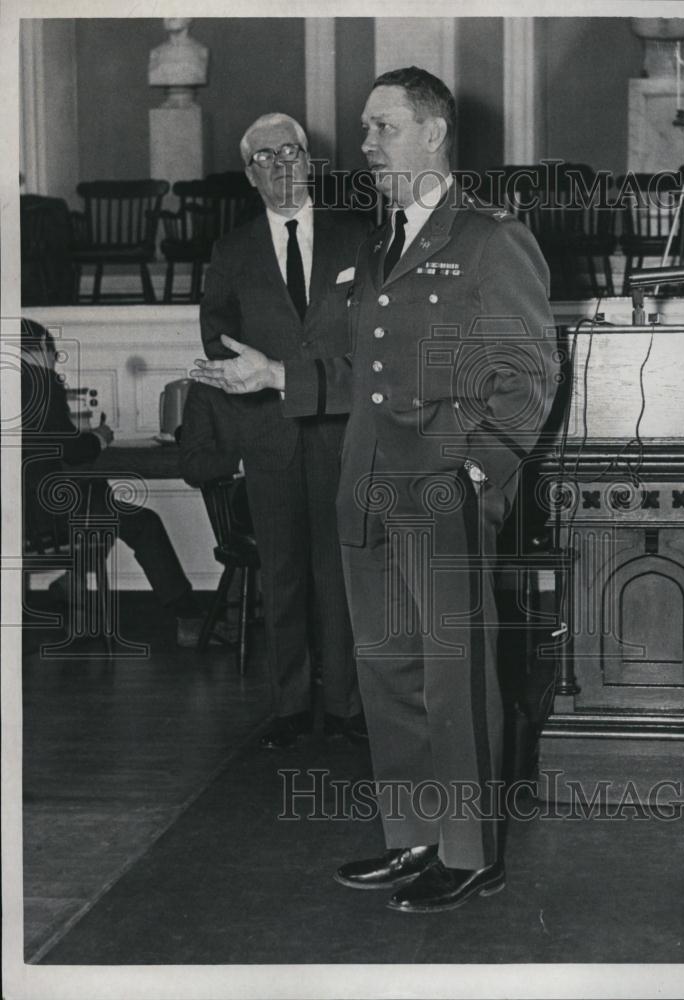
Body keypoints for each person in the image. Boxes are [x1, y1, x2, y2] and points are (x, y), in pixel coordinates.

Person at [191, 68, 559, 911]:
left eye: (381, 128)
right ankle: (416, 838)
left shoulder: (490, 238)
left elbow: (529, 375)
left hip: (443, 496)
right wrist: (277, 372)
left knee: (455, 678)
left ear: (432, 134)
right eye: (363, 129)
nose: (364, 145)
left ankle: (471, 855)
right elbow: (365, 372)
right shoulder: (381, 242)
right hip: (367, 488)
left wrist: (475, 475)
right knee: (389, 673)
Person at [198, 112, 370, 748]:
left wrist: (299, 374)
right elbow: (216, 338)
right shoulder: (231, 251)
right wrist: (249, 375)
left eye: (291, 151)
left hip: (343, 431)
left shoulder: (360, 239)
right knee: (283, 575)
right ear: (250, 174)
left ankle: (350, 708)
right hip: (269, 438)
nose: (281, 165)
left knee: (341, 574)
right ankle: (291, 706)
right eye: (265, 157)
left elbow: (376, 335)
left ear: (310, 160)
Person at [20, 318, 205, 647]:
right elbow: (73, 451)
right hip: (49, 515)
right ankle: (188, 615)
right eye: (52, 354)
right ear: (40, 352)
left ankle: (70, 584)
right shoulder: (40, 383)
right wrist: (100, 438)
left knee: (98, 497)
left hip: (20, 521)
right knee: (143, 522)